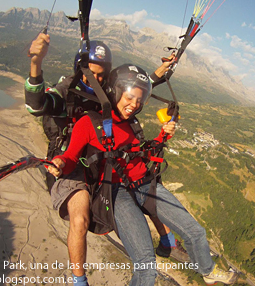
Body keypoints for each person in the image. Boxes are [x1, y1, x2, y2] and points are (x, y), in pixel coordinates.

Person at [48, 64, 238, 286]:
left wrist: (162, 136)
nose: (134, 105)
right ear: (116, 92)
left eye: (139, 100)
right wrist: (60, 163)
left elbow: (140, 152)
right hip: (116, 192)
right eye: (130, 97)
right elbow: (71, 157)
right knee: (146, 265)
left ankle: (207, 271)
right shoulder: (89, 123)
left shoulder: (132, 124)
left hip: (145, 185)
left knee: (195, 232)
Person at [25, 34, 189, 285]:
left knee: (147, 180)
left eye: (103, 75)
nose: (97, 80)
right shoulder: (66, 90)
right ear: (80, 68)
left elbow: (132, 92)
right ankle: (79, 281)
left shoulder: (104, 91)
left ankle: (167, 242)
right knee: (80, 218)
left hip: (98, 157)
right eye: (92, 73)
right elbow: (37, 105)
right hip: (69, 161)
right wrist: (36, 63)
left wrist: (159, 72)